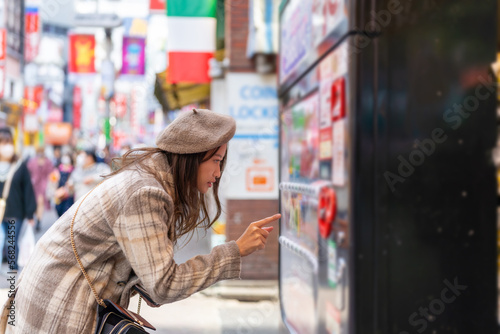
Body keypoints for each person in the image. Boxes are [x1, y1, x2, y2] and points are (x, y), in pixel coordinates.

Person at [0, 109, 280, 333]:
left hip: (56, 290)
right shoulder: (146, 193)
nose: (218, 173)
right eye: (216, 160)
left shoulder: (151, 181)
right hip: (59, 302)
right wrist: (235, 251)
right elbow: (165, 285)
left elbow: (153, 280)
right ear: (192, 158)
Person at [0, 127, 36, 271]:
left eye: (8, 142)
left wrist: (30, 214)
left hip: (16, 213)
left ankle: (12, 270)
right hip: (1, 213)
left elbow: (28, 190)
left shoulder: (20, 165)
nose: (6, 146)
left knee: (12, 241)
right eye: (2, 142)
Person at [27, 147, 54, 232]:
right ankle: (36, 217)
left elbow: (51, 173)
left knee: (40, 202)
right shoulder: (32, 162)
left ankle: (38, 220)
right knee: (35, 203)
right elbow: (28, 172)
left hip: (43, 185)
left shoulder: (47, 161)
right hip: (34, 185)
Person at [53, 153, 75, 217]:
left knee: (66, 211)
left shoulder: (73, 170)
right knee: (58, 209)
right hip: (59, 193)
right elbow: (53, 181)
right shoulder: (58, 169)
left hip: (69, 195)